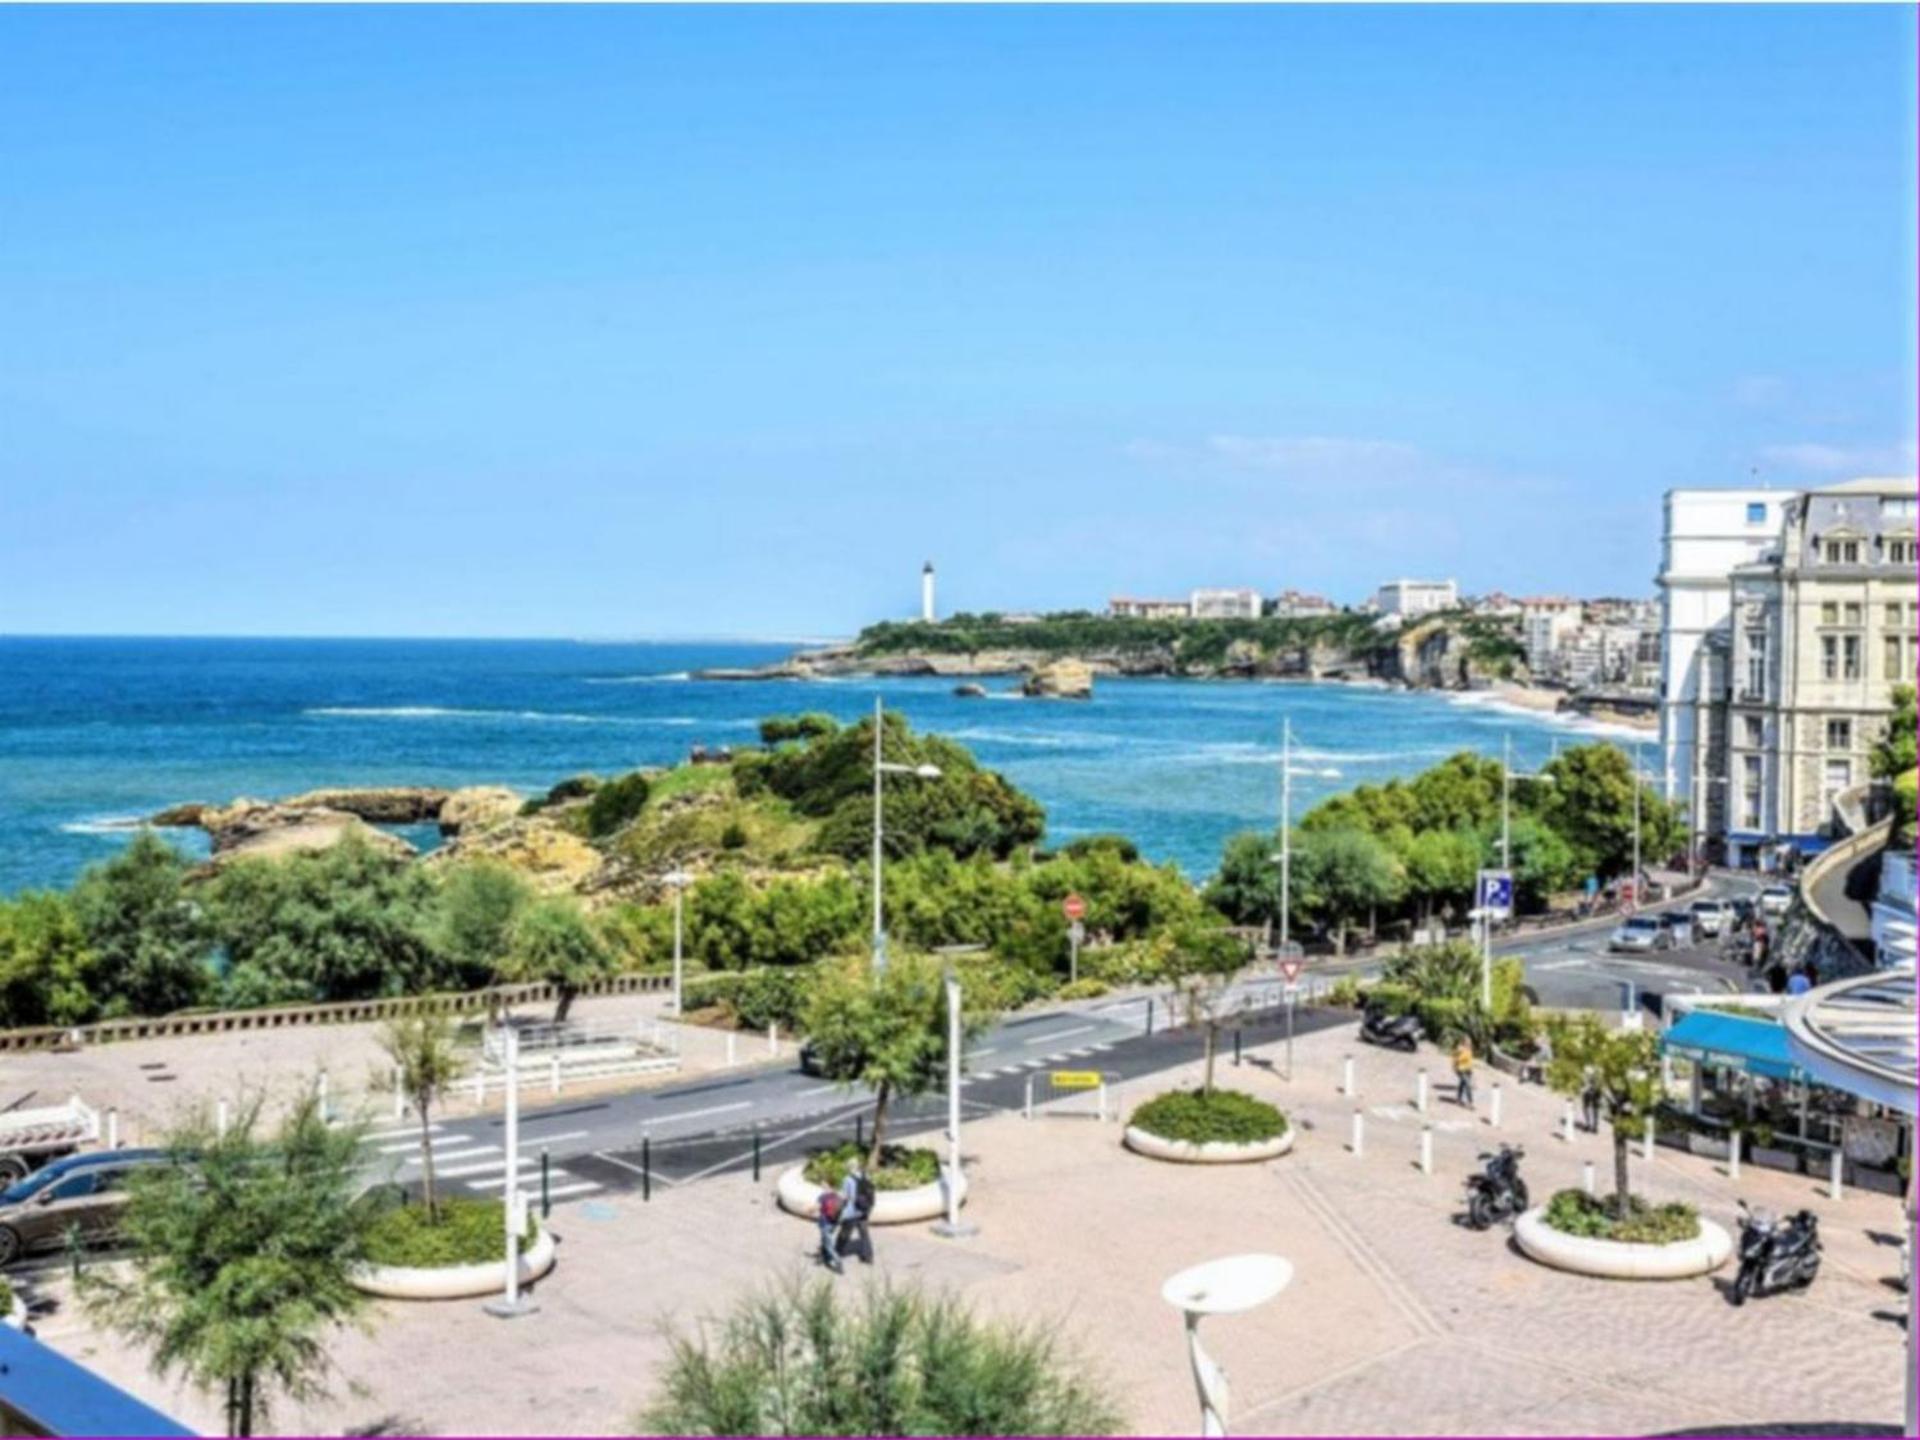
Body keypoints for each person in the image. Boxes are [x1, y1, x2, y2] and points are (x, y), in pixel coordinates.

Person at [836, 1158, 876, 1266]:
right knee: (864, 1233)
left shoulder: (847, 1179)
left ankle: (837, 1251)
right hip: (864, 1210)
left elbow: (844, 1197)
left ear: (849, 1167)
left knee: (845, 1232)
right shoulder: (866, 1175)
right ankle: (868, 1257)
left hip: (851, 1211)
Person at [815, 1185, 845, 1273]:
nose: (822, 1187)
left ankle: (838, 1261)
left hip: (825, 1223)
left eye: (824, 1185)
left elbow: (815, 1208)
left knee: (828, 1245)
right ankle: (823, 1257)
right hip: (834, 1223)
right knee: (825, 1240)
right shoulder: (837, 1196)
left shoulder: (822, 1197)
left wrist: (807, 1209)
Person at [1452, 1037, 1475, 1108]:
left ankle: (1458, 1099)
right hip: (1461, 1070)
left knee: (1462, 1084)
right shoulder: (1459, 1049)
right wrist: (1455, 1068)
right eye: (1468, 1042)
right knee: (1468, 1085)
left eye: (1470, 1042)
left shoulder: (1469, 1049)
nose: (1469, 1043)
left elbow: (1470, 1060)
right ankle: (1470, 1102)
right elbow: (1455, 1059)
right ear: (1464, 1042)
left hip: (1468, 1070)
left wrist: (1471, 1069)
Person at [1580, 1065, 1602, 1132]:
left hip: (1593, 1091)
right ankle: (1589, 1125)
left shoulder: (1596, 1072)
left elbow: (1598, 1082)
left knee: (1593, 1108)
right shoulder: (1585, 1073)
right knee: (1587, 1108)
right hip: (1589, 1091)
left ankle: (1593, 1126)